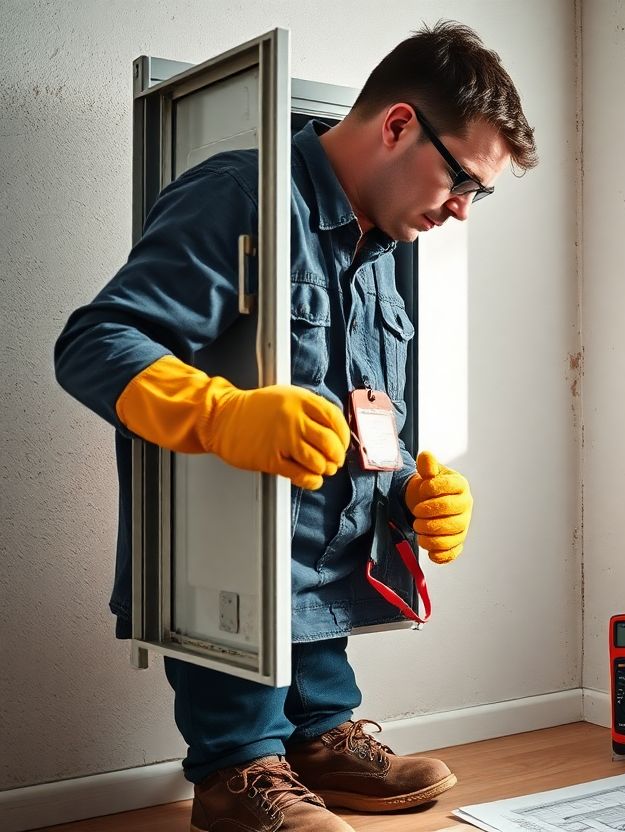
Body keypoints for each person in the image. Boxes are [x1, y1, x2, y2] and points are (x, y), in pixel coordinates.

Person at [54, 20, 537, 831]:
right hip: (230, 582)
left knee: (310, 600)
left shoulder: (385, 246)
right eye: (462, 180)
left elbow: (361, 409)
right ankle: (238, 772)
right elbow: (95, 343)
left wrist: (415, 490)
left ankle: (319, 741)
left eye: (478, 193)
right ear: (398, 126)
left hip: (325, 587)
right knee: (255, 584)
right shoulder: (243, 197)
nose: (461, 210)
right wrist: (219, 413)